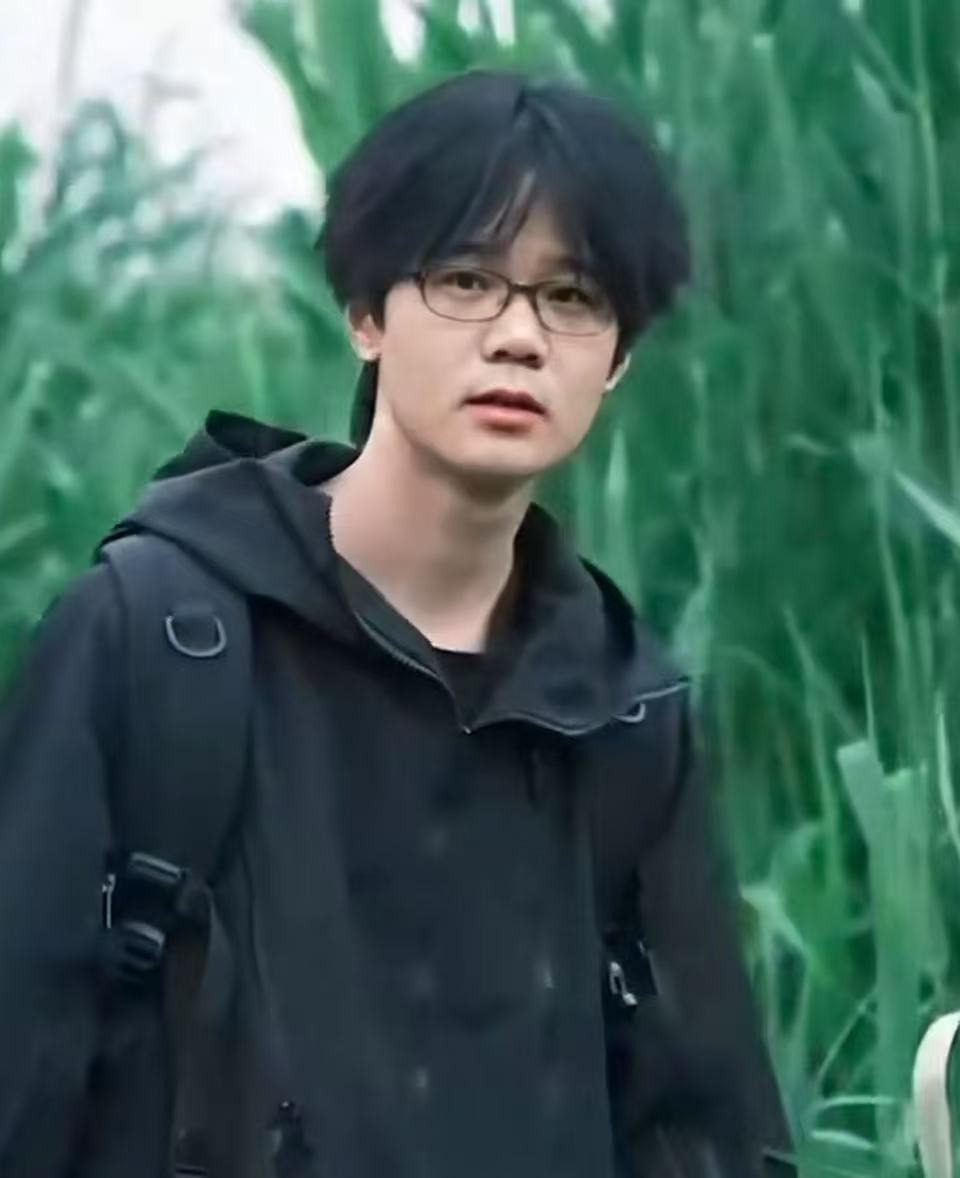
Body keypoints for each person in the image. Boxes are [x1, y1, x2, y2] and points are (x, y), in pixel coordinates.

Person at [0, 70, 795, 1177]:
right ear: (367, 314)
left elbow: (700, 1129)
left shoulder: (623, 712)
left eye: (572, 297)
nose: (519, 336)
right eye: (468, 280)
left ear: (617, 357)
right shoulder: (154, 637)